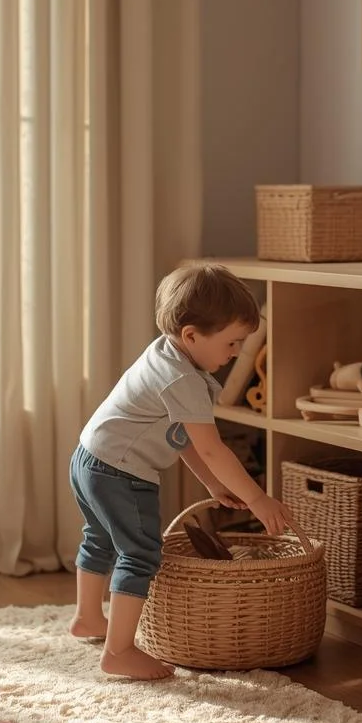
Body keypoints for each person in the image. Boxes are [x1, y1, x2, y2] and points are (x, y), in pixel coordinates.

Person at [68, 263, 290, 680]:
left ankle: (87, 617)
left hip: (89, 458)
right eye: (231, 343)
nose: (236, 352)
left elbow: (180, 436)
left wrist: (210, 481)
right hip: (120, 472)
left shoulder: (164, 354)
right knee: (141, 553)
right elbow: (211, 445)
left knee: (99, 537)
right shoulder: (183, 381)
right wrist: (258, 498)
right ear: (191, 335)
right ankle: (118, 651)